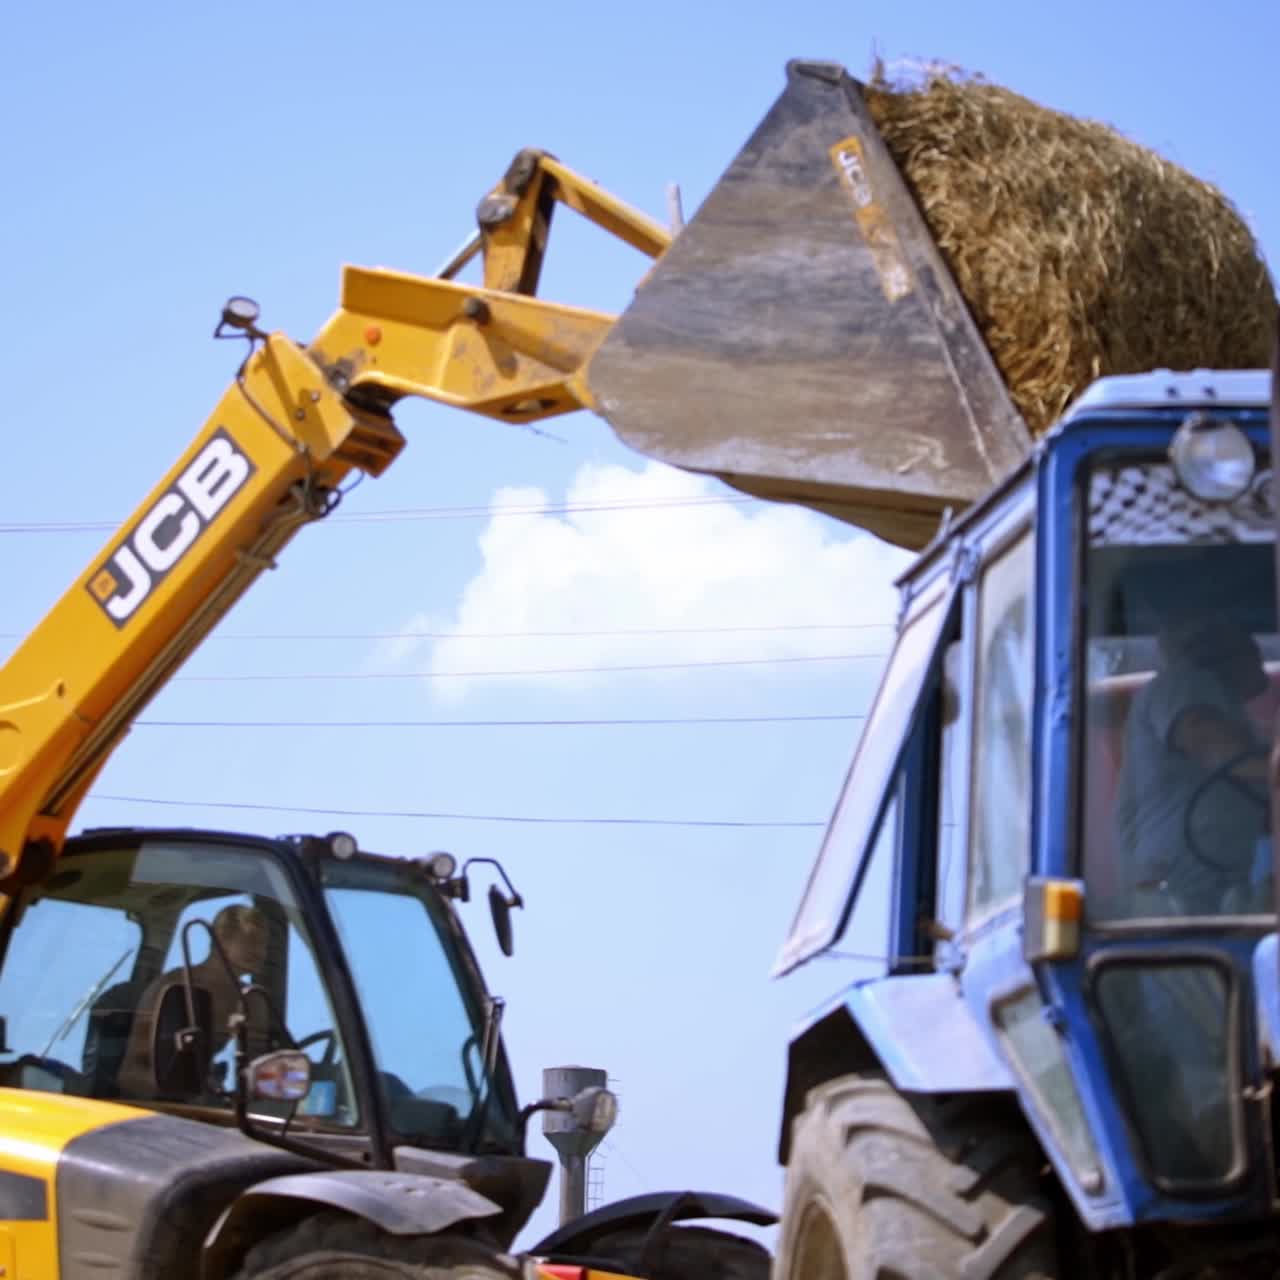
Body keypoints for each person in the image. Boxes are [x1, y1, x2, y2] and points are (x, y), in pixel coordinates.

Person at [1115, 617, 1270, 914]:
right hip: (1172, 897)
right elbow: (1222, 754)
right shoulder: (1182, 683)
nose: (1259, 664)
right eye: (1250, 651)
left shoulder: (1228, 710)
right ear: (1223, 654)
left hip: (1215, 888)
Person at [113, 902, 272, 1100]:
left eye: (264, 944)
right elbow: (132, 1072)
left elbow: (259, 1074)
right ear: (220, 939)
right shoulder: (173, 987)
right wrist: (187, 1095)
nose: (260, 952)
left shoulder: (253, 1000)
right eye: (252, 941)